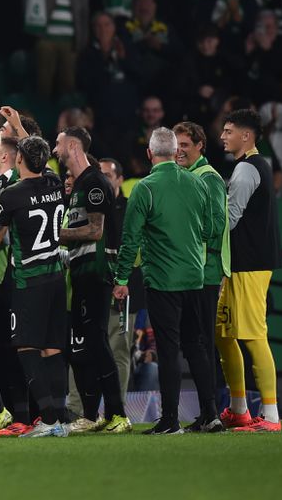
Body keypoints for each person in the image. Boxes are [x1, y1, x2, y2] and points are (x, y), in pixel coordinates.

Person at [113, 128, 218, 435]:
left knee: (169, 350)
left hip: (162, 280)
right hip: (195, 279)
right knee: (197, 347)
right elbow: (211, 228)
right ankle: (210, 414)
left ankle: (170, 419)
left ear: (149, 154)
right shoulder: (198, 183)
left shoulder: (145, 189)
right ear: (176, 153)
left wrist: (121, 278)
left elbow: (130, 239)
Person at [0, 135, 70, 438]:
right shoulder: (55, 184)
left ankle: (49, 419)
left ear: (18, 159)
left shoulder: (11, 195)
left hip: (29, 280)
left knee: (26, 347)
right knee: (51, 350)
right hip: (55, 277)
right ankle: (58, 418)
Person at [54, 126, 130, 434]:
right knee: (84, 348)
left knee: (98, 342)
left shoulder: (96, 182)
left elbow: (95, 231)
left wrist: (53, 235)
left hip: (96, 273)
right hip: (82, 273)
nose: (54, 150)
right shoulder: (81, 185)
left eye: (58, 144)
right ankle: (91, 414)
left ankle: (117, 413)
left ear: (73, 146)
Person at [217, 108, 282, 433]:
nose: (223, 136)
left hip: (250, 264)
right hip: (243, 264)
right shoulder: (257, 166)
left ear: (246, 135)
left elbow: (229, 219)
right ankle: (239, 408)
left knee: (254, 336)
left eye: (229, 131)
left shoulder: (246, 169)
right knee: (224, 333)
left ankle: (270, 416)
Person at [173, 121, 229, 432]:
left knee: (203, 344)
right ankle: (210, 412)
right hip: (194, 272)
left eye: (185, 145)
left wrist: (186, 243)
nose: (179, 150)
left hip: (204, 273)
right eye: (176, 145)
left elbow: (216, 226)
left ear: (199, 147)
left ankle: (213, 412)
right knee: (196, 344)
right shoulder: (191, 176)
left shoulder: (208, 178)